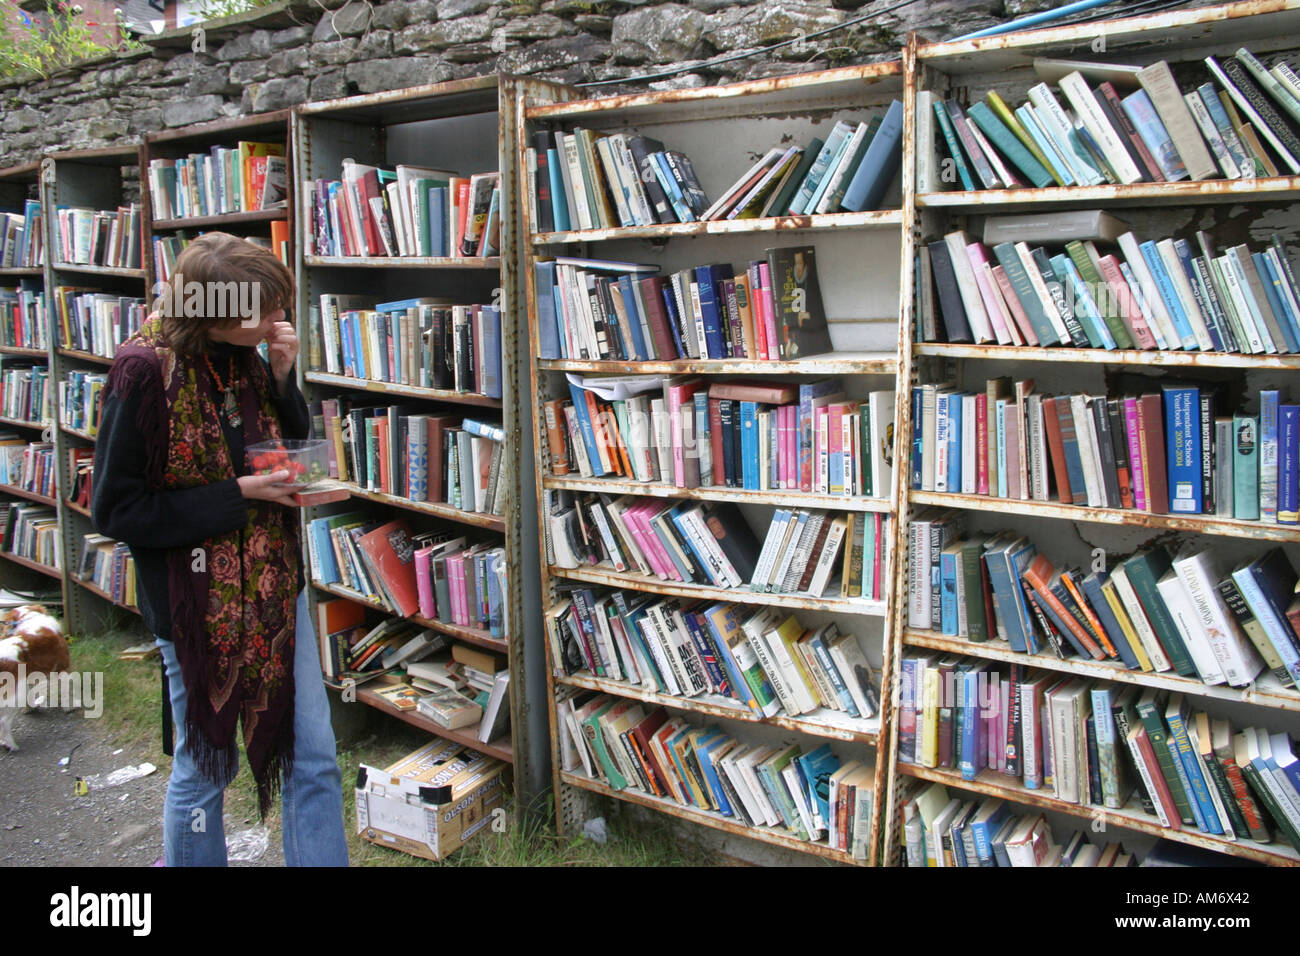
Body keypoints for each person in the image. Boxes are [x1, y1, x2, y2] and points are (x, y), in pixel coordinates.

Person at [92, 232, 348, 867]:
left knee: (313, 758)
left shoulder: (244, 353)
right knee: (206, 768)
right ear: (213, 310)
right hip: (194, 603)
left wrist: (285, 381)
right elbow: (118, 509)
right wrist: (238, 494)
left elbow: (276, 440)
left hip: (272, 590)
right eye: (262, 312)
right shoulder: (143, 373)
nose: (276, 322)